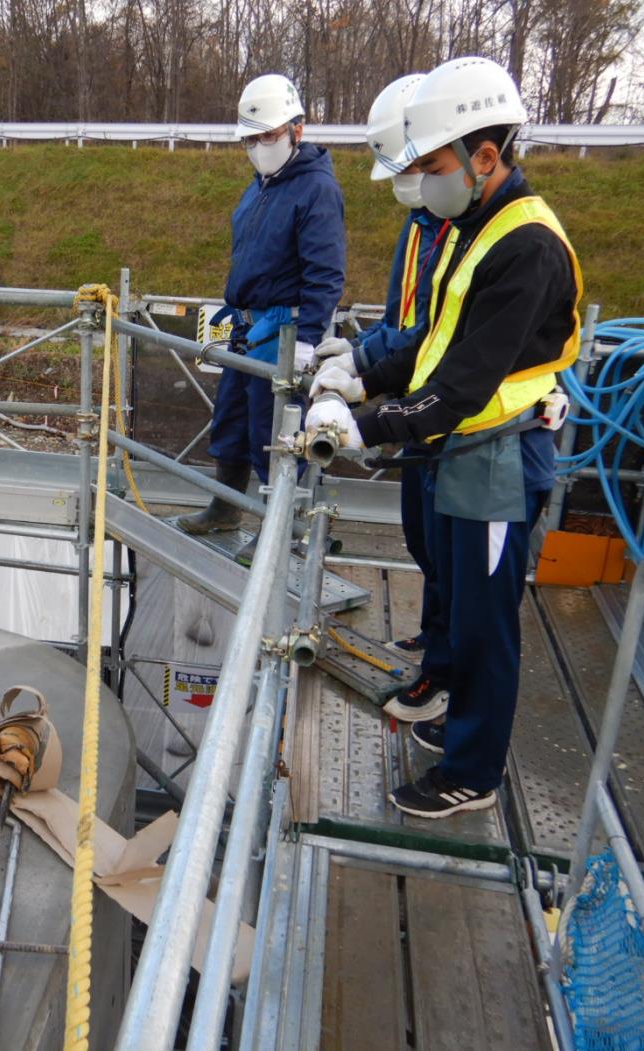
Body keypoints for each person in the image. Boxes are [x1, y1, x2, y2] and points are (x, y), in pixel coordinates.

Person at [304, 56, 581, 818]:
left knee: (486, 625)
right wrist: (363, 374)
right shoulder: (474, 223)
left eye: (431, 164)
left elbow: (458, 388)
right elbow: (432, 341)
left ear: (483, 157)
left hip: (494, 456)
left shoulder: (525, 247)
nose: (424, 181)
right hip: (466, 448)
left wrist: (360, 423)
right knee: (459, 604)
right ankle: (458, 725)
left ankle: (473, 771)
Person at [179, 72, 346, 562]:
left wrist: (308, 340)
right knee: (231, 422)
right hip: (248, 325)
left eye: (267, 135)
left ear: (297, 128)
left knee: (275, 435)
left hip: (285, 327)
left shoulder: (315, 190)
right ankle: (225, 507)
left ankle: (284, 529)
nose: (258, 146)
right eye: (250, 138)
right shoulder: (262, 186)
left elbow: (326, 273)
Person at [312, 73, 445, 658]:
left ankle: (446, 666)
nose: (402, 183)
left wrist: (362, 375)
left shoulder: (468, 237)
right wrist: (361, 354)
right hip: (416, 400)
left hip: (448, 413)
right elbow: (407, 321)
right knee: (423, 537)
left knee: (449, 549)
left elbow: (435, 335)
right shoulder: (422, 227)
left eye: (410, 169)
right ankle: (437, 642)